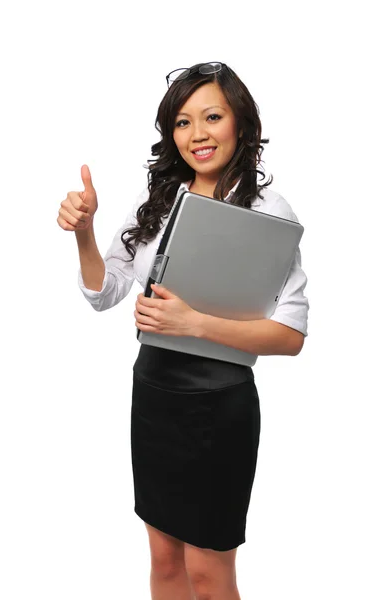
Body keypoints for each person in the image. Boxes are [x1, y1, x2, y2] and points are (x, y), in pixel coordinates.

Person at [57, 61, 309, 600]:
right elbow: (105, 292)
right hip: (154, 395)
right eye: (182, 122)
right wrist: (84, 233)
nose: (197, 135)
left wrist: (194, 323)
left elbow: (290, 334)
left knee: (209, 571)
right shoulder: (158, 203)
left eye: (212, 116)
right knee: (165, 560)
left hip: (219, 406)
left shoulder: (267, 211)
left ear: (240, 123)